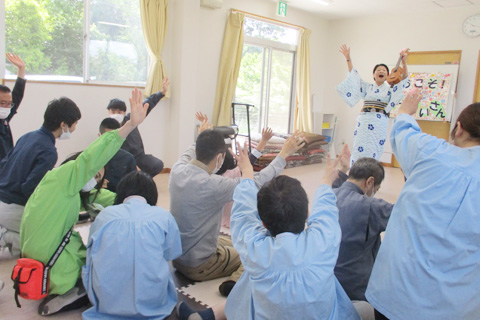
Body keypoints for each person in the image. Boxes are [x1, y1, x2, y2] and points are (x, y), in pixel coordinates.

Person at [177, 145, 360, 320]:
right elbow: (325, 207)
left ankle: (211, 315)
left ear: (262, 223)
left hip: (261, 300)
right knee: (363, 307)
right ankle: (210, 314)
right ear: (306, 215)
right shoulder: (323, 240)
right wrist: (330, 177)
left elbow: (243, 212)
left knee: (254, 277)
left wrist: (247, 172)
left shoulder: (256, 249)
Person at [20, 88, 149, 316]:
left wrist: (129, 200)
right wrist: (128, 126)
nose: (97, 179)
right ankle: (72, 293)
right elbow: (92, 159)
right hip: (52, 263)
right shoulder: (70, 176)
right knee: (102, 256)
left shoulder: (58, 183)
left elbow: (99, 197)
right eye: (96, 174)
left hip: (33, 254)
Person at [365, 90, 480, 320]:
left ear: (458, 129)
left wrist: (405, 111)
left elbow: (402, 132)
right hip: (457, 307)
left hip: (395, 295)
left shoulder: (431, 151)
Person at [169, 117, 304, 297]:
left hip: (177, 257)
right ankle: (233, 282)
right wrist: (283, 155)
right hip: (198, 265)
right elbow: (256, 182)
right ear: (219, 157)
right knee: (255, 253)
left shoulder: (177, 170)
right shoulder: (214, 184)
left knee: (236, 241)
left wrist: (202, 136)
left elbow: (189, 152)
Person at [82, 171, 181, 319]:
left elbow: (90, 250)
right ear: (153, 194)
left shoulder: (105, 215)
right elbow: (171, 253)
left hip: (106, 301)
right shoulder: (163, 216)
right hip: (153, 303)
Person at [0, 97, 81, 256]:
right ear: (63, 124)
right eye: (75, 123)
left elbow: (4, 166)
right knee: (51, 235)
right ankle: (6, 236)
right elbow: (29, 188)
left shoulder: (27, 136)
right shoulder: (48, 151)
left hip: (2, 200)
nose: (74, 128)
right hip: (13, 207)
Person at [336, 44, 408, 166]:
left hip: (379, 121)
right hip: (364, 120)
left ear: (387, 76)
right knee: (359, 144)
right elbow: (354, 76)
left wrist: (404, 63)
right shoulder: (367, 87)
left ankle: (371, 173)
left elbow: (404, 80)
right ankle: (355, 172)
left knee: (374, 147)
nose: (381, 71)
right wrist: (348, 58)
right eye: (378, 70)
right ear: (374, 75)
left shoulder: (390, 89)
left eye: (384, 70)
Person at [107, 77, 169, 177]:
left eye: (119, 112)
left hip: (139, 157)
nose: (116, 114)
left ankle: (142, 179)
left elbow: (147, 104)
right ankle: (135, 178)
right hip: (121, 160)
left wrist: (161, 92)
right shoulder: (107, 126)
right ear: (108, 112)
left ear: (124, 112)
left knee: (157, 165)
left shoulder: (131, 119)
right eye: (113, 111)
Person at [98, 117, 137, 192]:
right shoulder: (91, 157)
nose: (112, 141)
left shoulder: (128, 158)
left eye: (115, 137)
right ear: (99, 136)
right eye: (108, 137)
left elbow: (133, 186)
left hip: (119, 198)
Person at [0, 53, 26, 160]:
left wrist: (21, 69)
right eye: (2, 103)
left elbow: (17, 95)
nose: (6, 107)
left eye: (8, 104)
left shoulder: (4, 119)